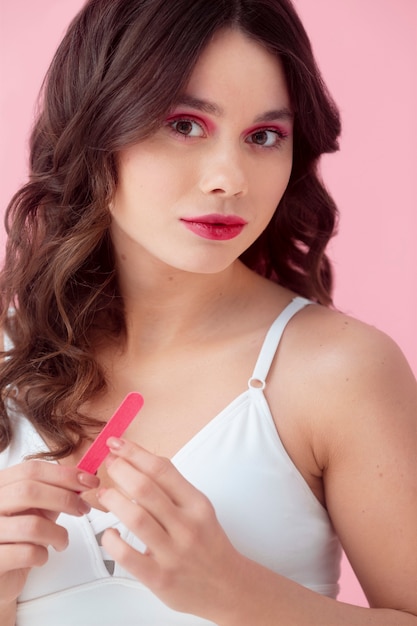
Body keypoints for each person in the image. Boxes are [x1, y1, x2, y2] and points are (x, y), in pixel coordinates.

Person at [0, 0, 416, 624]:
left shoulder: (338, 371)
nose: (230, 178)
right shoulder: (10, 359)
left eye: (265, 136)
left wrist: (234, 592)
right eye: (185, 124)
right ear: (96, 125)